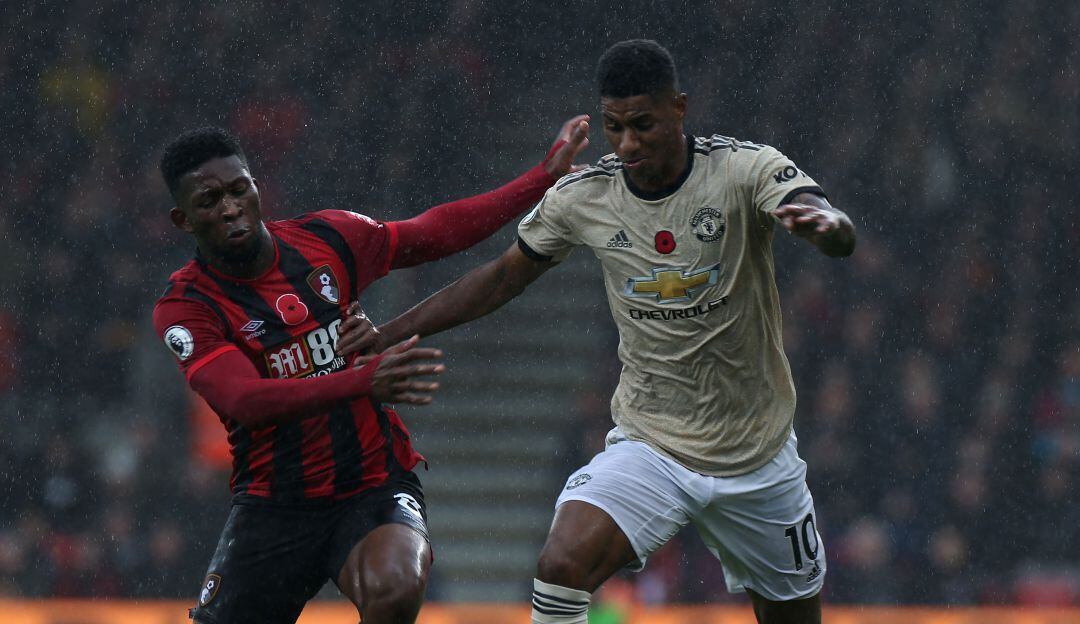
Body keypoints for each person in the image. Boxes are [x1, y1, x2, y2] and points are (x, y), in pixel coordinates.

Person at [337, 40, 855, 624]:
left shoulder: (741, 169)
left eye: (643, 125)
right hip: (653, 445)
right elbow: (500, 279)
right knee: (561, 563)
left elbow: (828, 220)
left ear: (679, 108)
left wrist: (826, 225)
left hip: (757, 455)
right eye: (615, 126)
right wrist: (391, 333)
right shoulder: (586, 196)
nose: (628, 143)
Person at [152, 117, 590, 624]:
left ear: (256, 187)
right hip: (274, 505)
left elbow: (434, 232)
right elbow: (245, 401)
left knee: (395, 587)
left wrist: (540, 179)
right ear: (184, 220)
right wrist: (364, 379)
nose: (230, 208)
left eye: (238, 190)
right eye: (209, 201)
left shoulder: (327, 238)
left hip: (372, 484)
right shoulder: (187, 307)